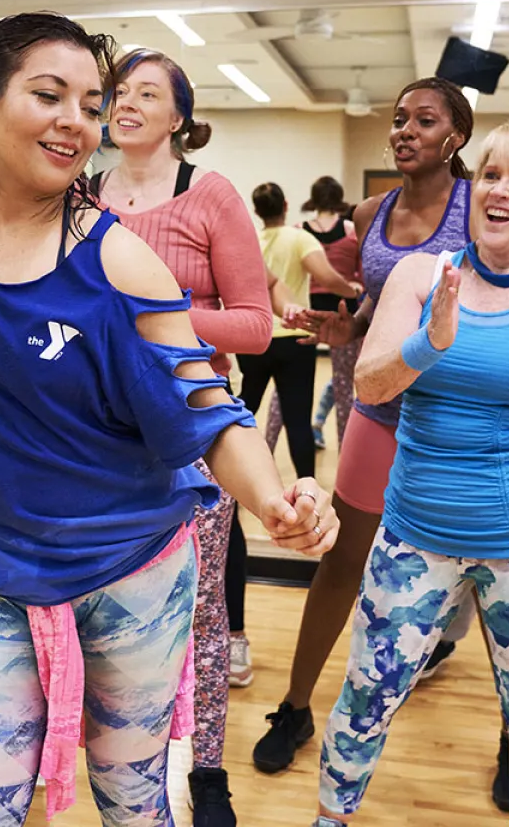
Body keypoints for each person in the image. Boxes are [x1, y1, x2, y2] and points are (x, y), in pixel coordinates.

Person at [0, 12, 340, 827]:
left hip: (132, 568)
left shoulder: (116, 254)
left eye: (92, 104)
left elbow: (209, 406)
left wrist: (274, 501)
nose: (76, 122)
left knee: (131, 800)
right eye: (48, 95)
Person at [311, 118, 509, 827]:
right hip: (416, 536)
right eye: (491, 175)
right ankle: (328, 819)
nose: (498, 191)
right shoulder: (422, 274)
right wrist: (427, 342)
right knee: (365, 700)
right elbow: (373, 387)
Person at [252, 77, 474, 777]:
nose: (405, 129)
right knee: (341, 558)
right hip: (381, 411)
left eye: (425, 120)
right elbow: (382, 301)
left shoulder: (480, 210)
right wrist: (349, 324)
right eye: (400, 118)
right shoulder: (371, 210)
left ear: (455, 138)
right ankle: (294, 706)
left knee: (482, 573)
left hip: (457, 414)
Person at [91, 46, 272, 822]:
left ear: (179, 118)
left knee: (201, 612)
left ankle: (205, 773)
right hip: (93, 428)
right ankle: (100, 749)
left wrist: (151, 311)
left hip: (192, 422)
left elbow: (256, 326)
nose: (126, 104)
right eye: (118, 91)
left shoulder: (210, 196)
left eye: (147, 93)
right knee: (94, 599)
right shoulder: (79, 192)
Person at [225, 181, 360, 691]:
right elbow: (323, 275)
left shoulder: (254, 242)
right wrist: (356, 293)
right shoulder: (302, 240)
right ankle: (303, 486)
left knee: (243, 415)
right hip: (294, 339)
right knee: (299, 421)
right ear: (285, 208)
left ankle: (241, 479)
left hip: (257, 342)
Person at [301, 176, 363, 449]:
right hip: (344, 313)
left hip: (309, 313)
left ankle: (297, 435)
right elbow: (362, 272)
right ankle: (346, 449)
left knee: (290, 390)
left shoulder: (299, 231)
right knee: (344, 385)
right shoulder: (351, 230)